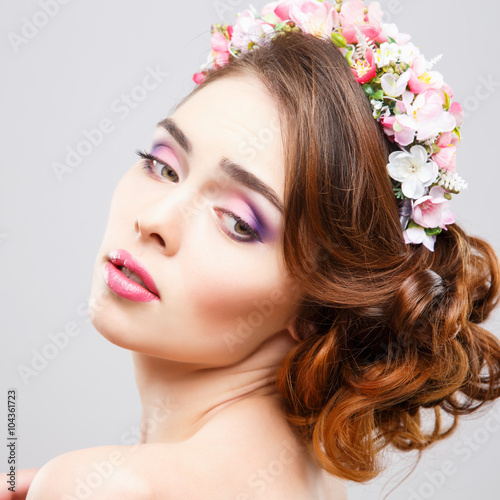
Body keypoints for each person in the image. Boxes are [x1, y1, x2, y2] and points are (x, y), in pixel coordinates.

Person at [5, 0, 500, 498]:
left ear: (319, 303)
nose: (154, 221)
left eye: (238, 223)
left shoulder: (110, 487)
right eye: (163, 166)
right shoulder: (317, 479)